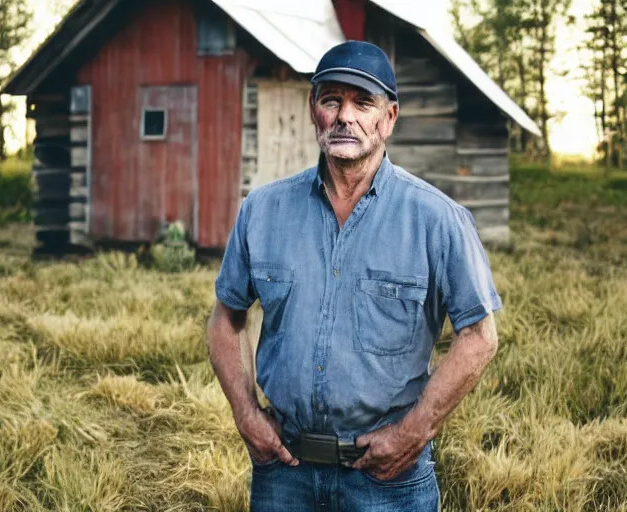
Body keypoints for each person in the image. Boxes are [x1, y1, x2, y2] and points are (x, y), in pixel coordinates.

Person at [207, 40, 502, 511]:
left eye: (363, 102)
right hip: (285, 471)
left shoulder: (437, 219)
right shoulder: (261, 210)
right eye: (332, 100)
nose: (345, 116)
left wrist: (415, 432)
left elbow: (480, 335)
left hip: (388, 479)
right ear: (314, 111)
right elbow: (226, 318)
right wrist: (246, 415)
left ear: (388, 118)